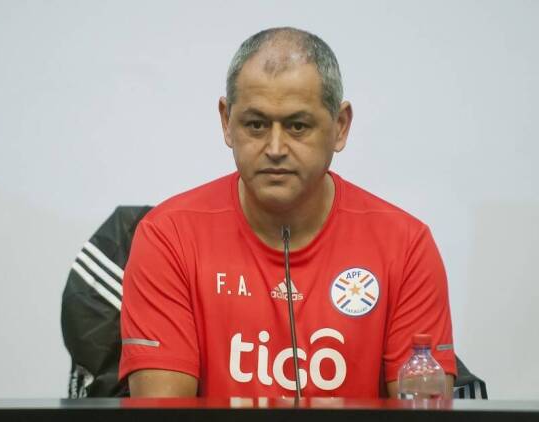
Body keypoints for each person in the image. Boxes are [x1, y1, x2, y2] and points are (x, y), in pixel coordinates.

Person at [119, 27, 456, 398]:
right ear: (226, 122)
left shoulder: (406, 246)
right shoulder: (168, 237)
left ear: (340, 127)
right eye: (256, 125)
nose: (275, 148)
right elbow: (165, 412)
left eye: (297, 126)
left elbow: (422, 409)